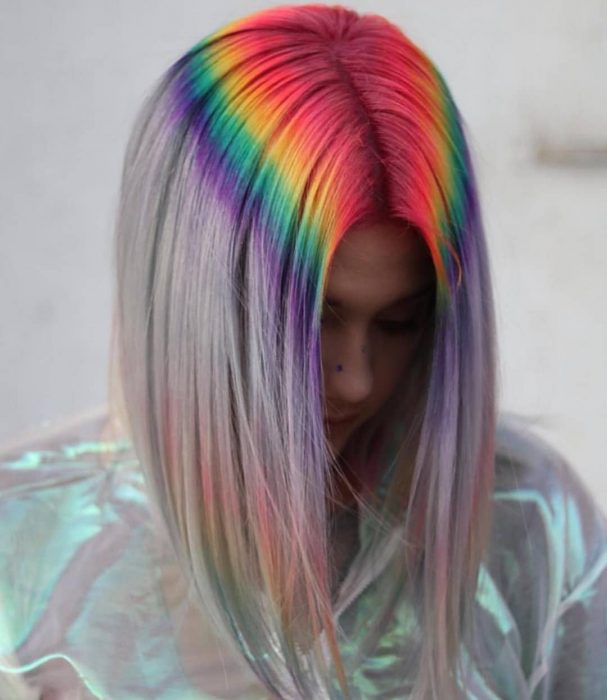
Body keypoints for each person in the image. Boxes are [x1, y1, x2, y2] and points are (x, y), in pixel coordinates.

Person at [1, 4, 606, 699]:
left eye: (400, 323)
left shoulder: (528, 525)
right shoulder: (22, 567)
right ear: (187, 299)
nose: (356, 380)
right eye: (315, 320)